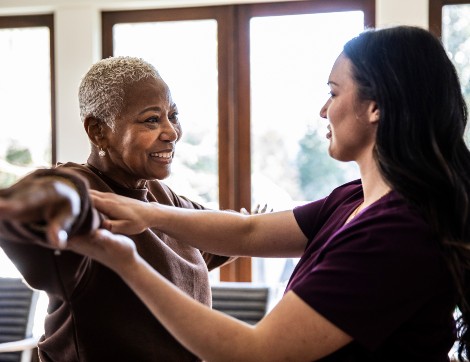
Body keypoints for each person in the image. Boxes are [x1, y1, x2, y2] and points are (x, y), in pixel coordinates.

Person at [58, 25, 470, 361]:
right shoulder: (350, 200)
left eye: (333, 92)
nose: (323, 111)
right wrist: (149, 215)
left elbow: (257, 352)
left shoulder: (395, 233)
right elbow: (248, 231)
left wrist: (125, 262)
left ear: (375, 107)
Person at [0, 56, 233, 362]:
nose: (172, 132)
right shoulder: (83, 191)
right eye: (152, 119)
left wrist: (249, 220)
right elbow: (58, 197)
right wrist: (55, 196)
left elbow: (222, 234)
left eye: (173, 116)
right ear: (99, 131)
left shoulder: (162, 195)